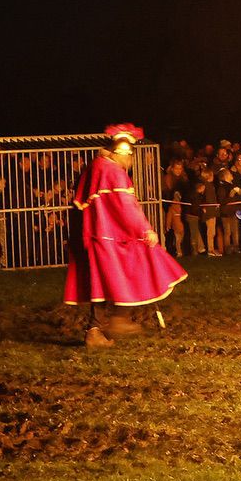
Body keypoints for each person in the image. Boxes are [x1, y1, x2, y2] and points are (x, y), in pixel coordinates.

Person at [62, 124, 187, 348]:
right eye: (129, 154)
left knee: (108, 280)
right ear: (121, 152)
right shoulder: (112, 171)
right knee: (124, 273)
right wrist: (145, 229)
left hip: (101, 234)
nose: (130, 160)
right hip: (109, 236)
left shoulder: (97, 166)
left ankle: (113, 320)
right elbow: (125, 206)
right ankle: (105, 325)